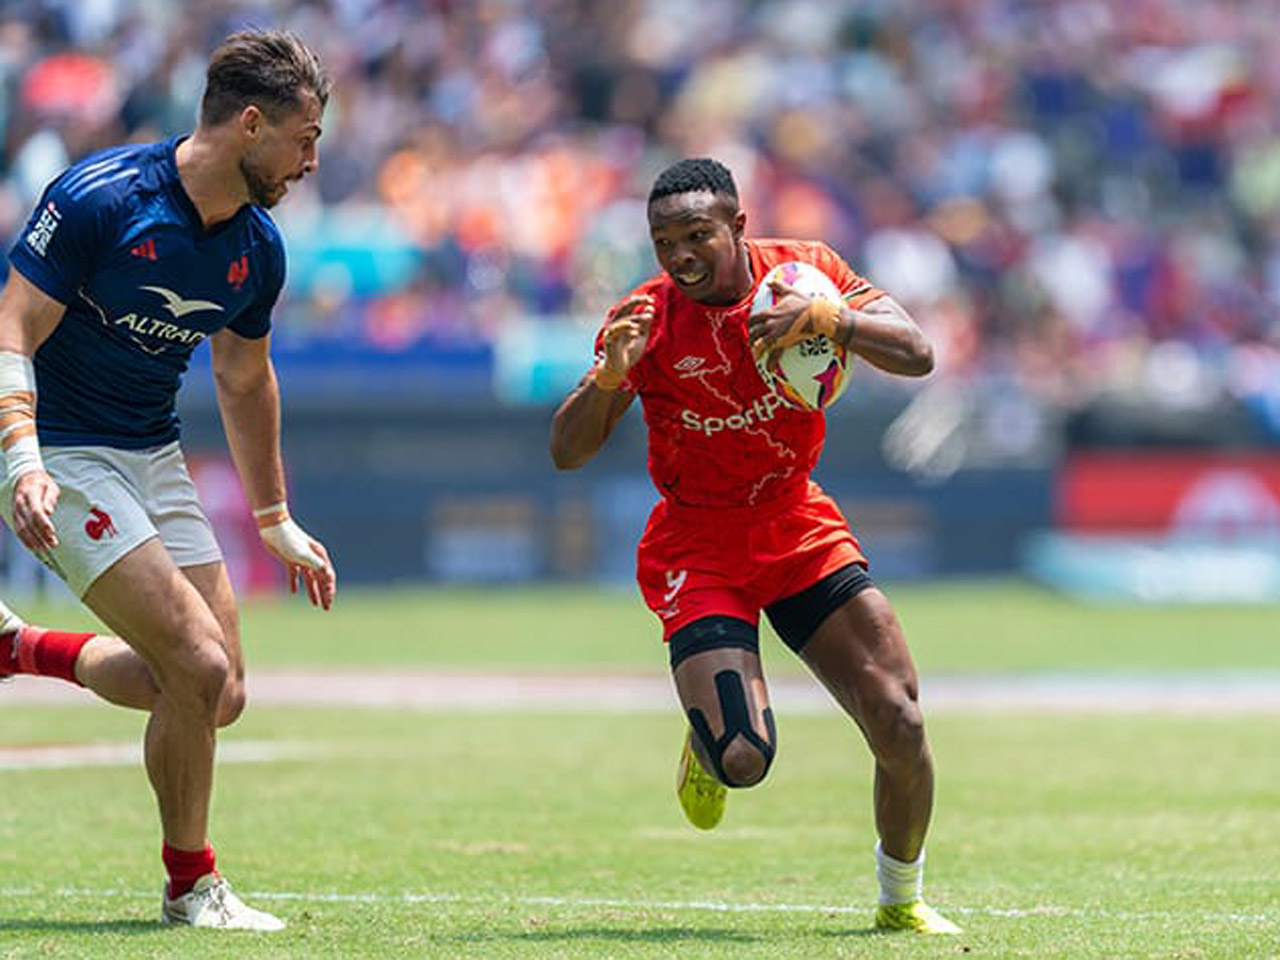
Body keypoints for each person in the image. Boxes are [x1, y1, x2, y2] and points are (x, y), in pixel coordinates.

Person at [550, 158, 960, 935]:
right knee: (742, 758)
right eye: (664, 242)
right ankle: (708, 741)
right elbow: (567, 453)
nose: (680, 256)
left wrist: (831, 322)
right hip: (698, 541)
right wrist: (608, 378)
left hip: (794, 523)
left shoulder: (807, 275)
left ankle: (900, 900)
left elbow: (917, 353)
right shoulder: (644, 316)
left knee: (899, 720)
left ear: (738, 227)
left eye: (696, 235)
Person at [0, 29, 336, 931]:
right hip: (61, 450)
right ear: (251, 124)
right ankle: (192, 885)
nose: (311, 162)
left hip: (150, 454)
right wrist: (21, 458)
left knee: (218, 693)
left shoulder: (258, 248)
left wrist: (274, 518)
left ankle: (20, 650)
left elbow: (244, 378)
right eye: (304, 139)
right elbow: (12, 326)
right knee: (195, 662)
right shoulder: (101, 197)